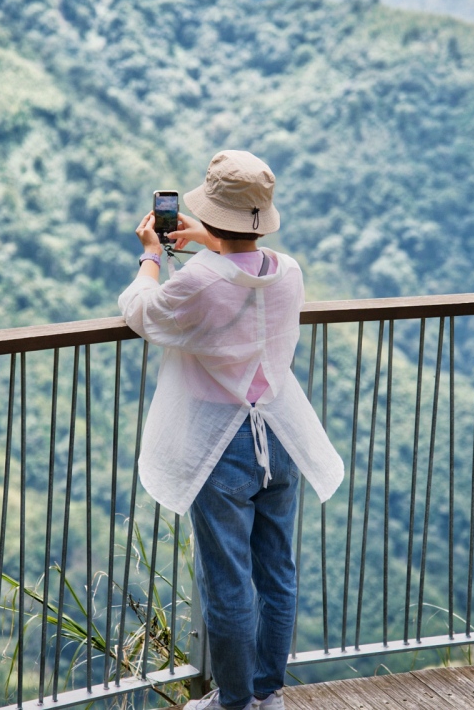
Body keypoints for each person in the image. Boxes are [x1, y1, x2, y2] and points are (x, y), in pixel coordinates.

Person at [119, 150, 344, 710]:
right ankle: (269, 693)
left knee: (227, 581)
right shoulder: (287, 271)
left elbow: (143, 312)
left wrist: (152, 257)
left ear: (211, 213)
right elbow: (241, 269)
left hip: (223, 444)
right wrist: (213, 239)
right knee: (277, 571)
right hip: (281, 434)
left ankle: (235, 701)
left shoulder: (196, 280)